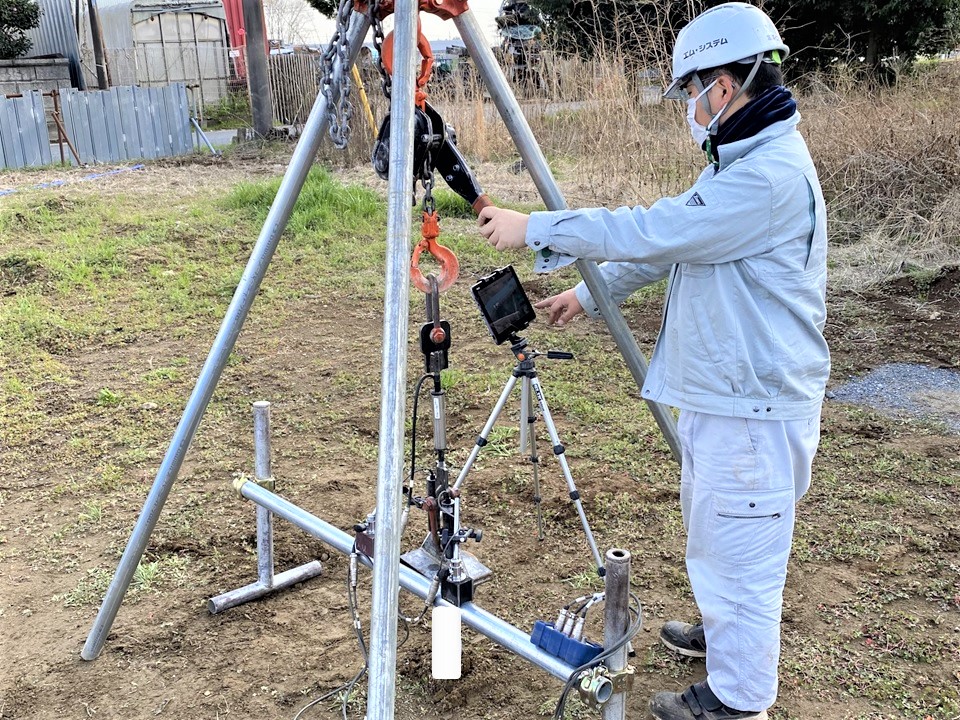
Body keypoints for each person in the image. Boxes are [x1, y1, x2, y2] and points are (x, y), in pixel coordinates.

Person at [476, 3, 829, 719]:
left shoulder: (764, 178)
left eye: (691, 92)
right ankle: (727, 635)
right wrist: (588, 294)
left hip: (751, 406)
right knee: (721, 537)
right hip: (730, 394)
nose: (689, 109)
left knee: (741, 559)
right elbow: (678, 243)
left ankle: (737, 699)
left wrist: (537, 227)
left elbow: (657, 228)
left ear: (722, 88)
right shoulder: (746, 159)